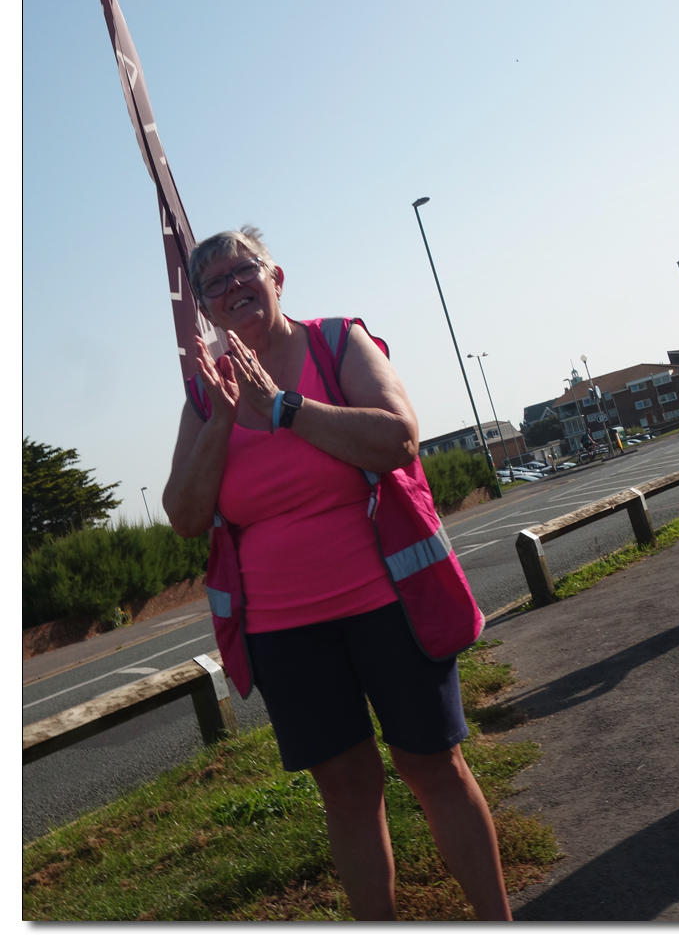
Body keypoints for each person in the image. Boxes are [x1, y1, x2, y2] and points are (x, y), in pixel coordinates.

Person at [163, 227, 512, 920]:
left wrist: (285, 410)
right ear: (203, 309)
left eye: (244, 271)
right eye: (215, 284)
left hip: (385, 602)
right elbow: (185, 515)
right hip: (284, 629)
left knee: (431, 765)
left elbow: (398, 439)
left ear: (277, 276)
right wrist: (224, 423)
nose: (233, 288)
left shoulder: (334, 342)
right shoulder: (207, 396)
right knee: (348, 790)